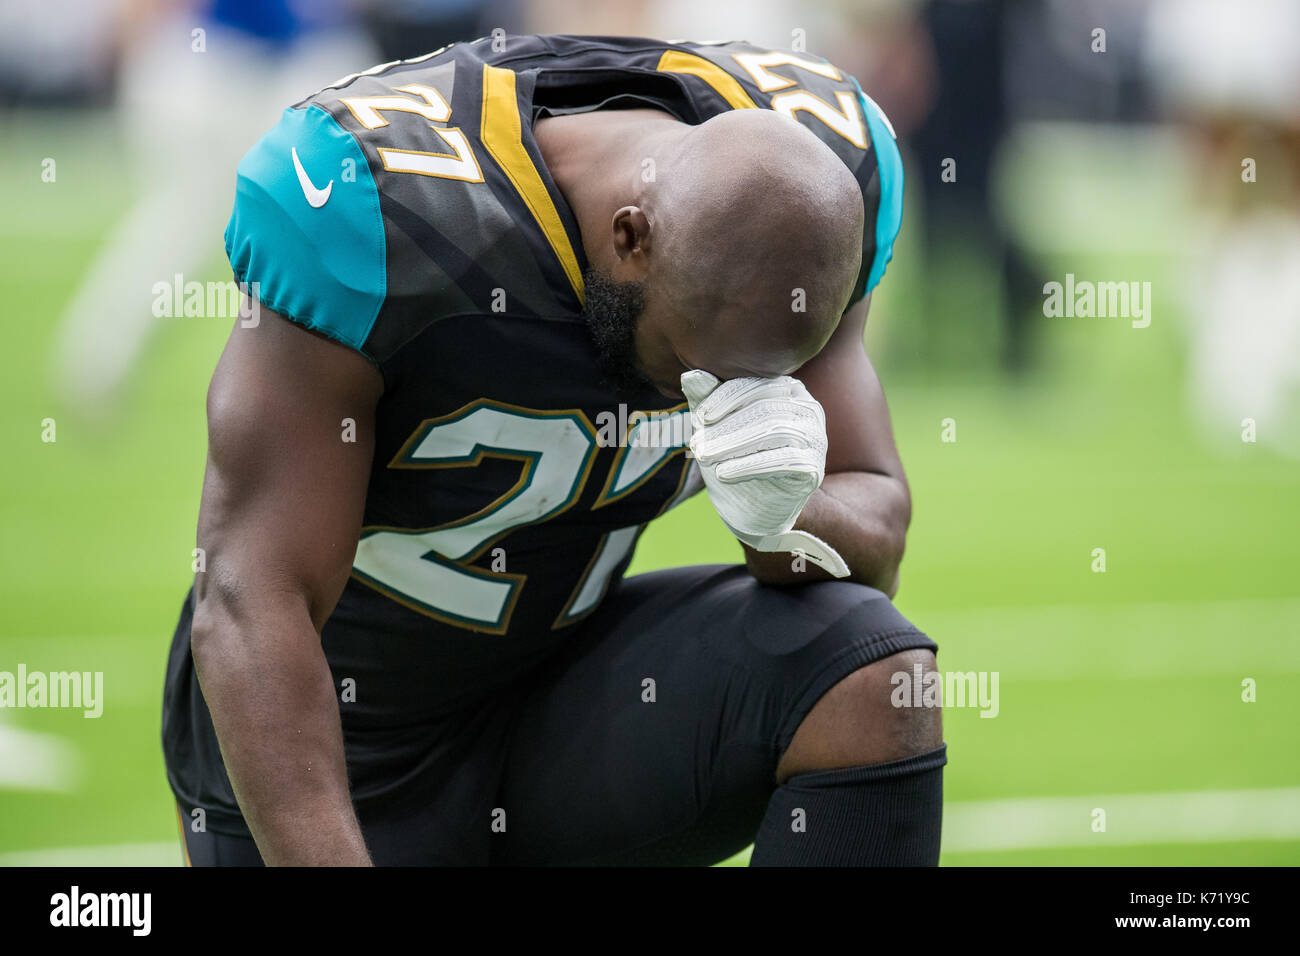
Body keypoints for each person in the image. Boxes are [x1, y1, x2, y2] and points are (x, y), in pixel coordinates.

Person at [163, 33, 946, 866]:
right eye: (691, 365)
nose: (711, 396)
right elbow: (249, 602)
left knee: (877, 678)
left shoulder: (805, 194)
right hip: (338, 743)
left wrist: (787, 509)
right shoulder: (380, 206)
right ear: (632, 238)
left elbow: (875, 524)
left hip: (556, 704)